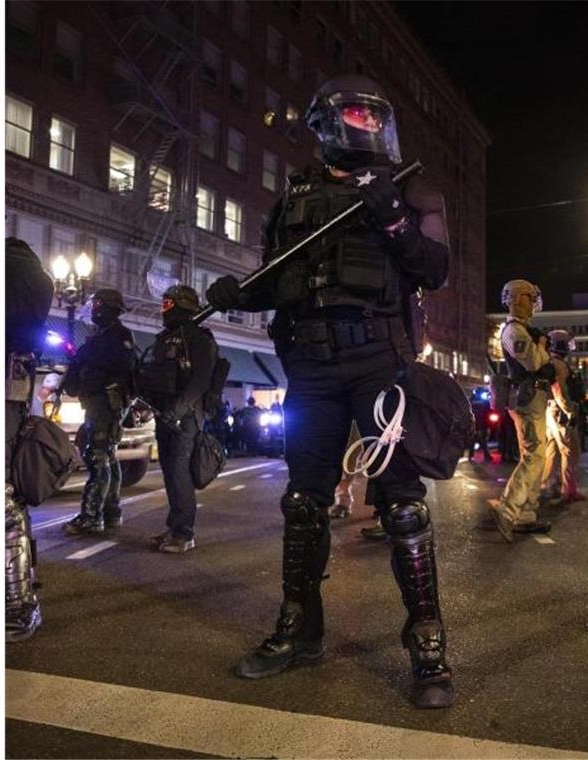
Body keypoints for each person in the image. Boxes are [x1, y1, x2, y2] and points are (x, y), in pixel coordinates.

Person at [205, 74, 454, 708]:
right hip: (310, 368)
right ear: (326, 122)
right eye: (353, 114)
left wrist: (392, 216)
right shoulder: (294, 199)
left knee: (401, 504)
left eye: (373, 116)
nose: (365, 126)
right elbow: (278, 276)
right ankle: (299, 628)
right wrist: (241, 292)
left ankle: (428, 643)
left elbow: (435, 268)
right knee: (303, 503)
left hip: (379, 363)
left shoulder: (409, 187)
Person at [136, 285, 219, 553]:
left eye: (169, 305)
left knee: (180, 471)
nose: (164, 310)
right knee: (170, 471)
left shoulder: (198, 338)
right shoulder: (165, 338)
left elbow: (201, 380)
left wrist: (179, 410)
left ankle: (184, 532)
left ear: (183, 305)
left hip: (186, 417)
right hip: (164, 414)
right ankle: (175, 527)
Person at [5, 237, 55, 642]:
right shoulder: (36, 276)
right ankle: (16, 603)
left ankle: (15, 604)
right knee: (5, 493)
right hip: (12, 390)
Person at [61, 289, 137, 535]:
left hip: (105, 406)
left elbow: (120, 368)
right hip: (98, 404)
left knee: (98, 458)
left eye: (97, 304)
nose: (93, 309)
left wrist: (85, 370)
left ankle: (92, 516)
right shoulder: (103, 337)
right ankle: (110, 512)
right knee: (108, 456)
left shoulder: (117, 337)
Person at [490, 279, 557, 540]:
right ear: (517, 298)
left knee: (534, 453)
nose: (532, 304)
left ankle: (526, 513)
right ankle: (509, 509)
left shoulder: (521, 329)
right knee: (534, 455)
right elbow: (531, 362)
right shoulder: (514, 330)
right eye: (529, 298)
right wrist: (541, 348)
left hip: (532, 396)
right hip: (527, 397)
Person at [540, 329, 584, 504]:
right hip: (560, 412)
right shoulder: (559, 365)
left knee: (551, 450)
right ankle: (569, 491)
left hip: (550, 411)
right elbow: (560, 391)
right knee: (569, 450)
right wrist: (570, 411)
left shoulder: (549, 362)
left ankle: (545, 486)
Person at [469, 387, 496, 462]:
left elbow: (489, 410)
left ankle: (475, 455)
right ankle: (473, 455)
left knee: (481, 439)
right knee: (477, 439)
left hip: (481, 422)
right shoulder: (473, 399)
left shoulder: (482, 400)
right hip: (477, 422)